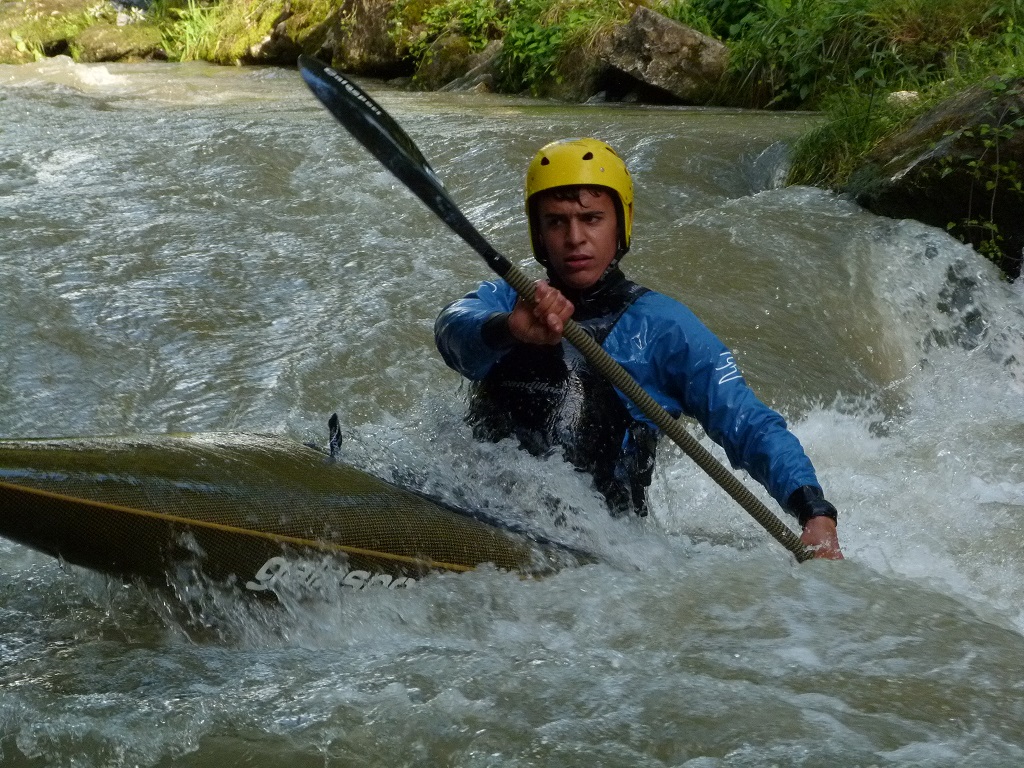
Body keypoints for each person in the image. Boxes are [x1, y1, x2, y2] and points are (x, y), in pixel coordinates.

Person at [434, 138, 843, 559]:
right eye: (556, 222)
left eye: (591, 219)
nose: (575, 238)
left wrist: (813, 511)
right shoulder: (507, 301)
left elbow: (748, 423)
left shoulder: (664, 328)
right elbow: (451, 331)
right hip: (472, 503)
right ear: (538, 232)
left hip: (592, 545)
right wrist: (508, 329)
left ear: (620, 224)